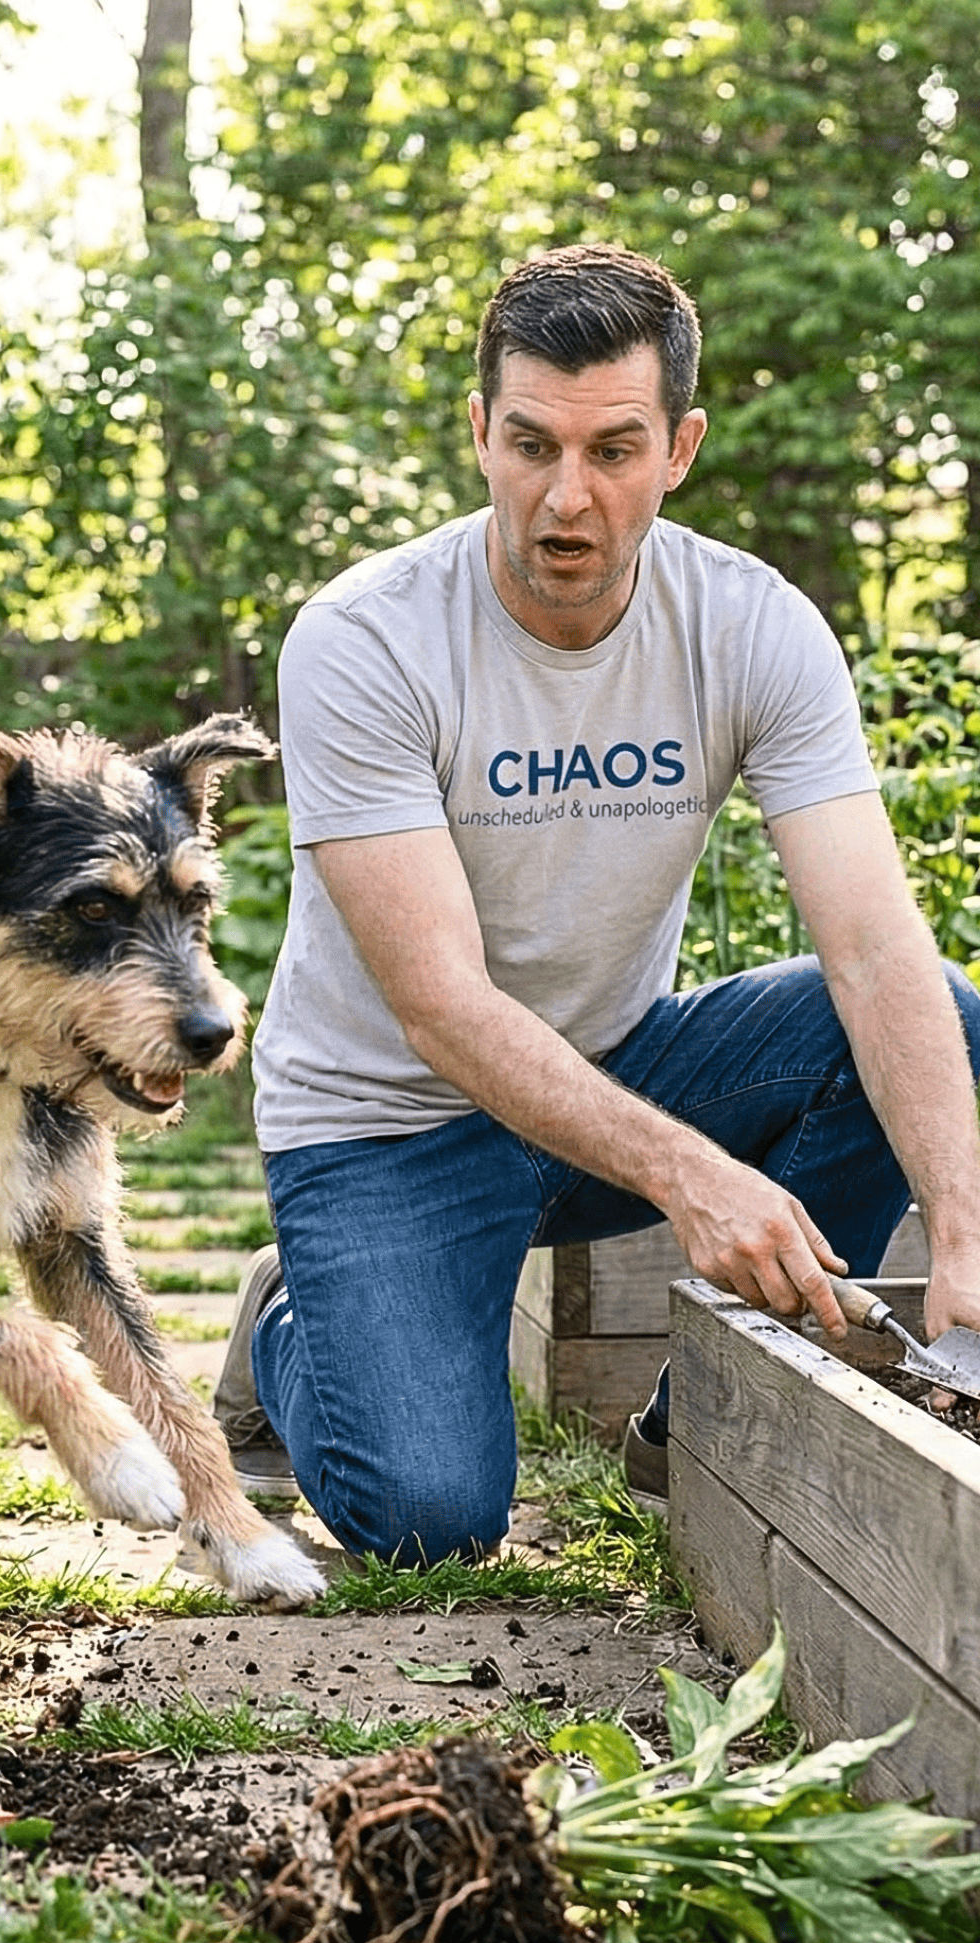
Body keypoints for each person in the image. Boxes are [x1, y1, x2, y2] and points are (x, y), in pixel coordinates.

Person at [215, 241, 980, 1565]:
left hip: (607, 1071)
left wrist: (965, 1243)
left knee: (944, 1015)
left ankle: (696, 1427)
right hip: (388, 1125)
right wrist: (691, 1173)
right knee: (429, 1520)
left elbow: (867, 940)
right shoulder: (367, 640)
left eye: (613, 453)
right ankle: (292, 1317)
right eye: (531, 446)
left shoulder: (754, 627)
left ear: (678, 450)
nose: (565, 499)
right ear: (480, 434)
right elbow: (442, 1009)